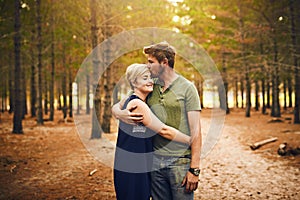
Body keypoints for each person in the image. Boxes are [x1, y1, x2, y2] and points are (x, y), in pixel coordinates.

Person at [113, 42, 202, 200]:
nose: (147, 65)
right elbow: (122, 103)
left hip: (179, 162)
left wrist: (194, 169)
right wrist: (119, 113)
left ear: (164, 63)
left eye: (150, 61)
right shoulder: (150, 86)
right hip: (154, 163)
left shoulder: (188, 88)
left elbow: (196, 130)